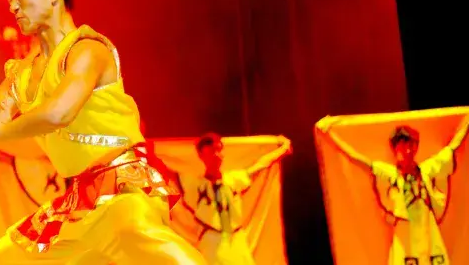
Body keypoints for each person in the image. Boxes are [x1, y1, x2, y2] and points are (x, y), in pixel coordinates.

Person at [0, 0, 206, 264]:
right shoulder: (21, 76)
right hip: (78, 205)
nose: (12, 6)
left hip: (123, 190)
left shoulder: (87, 50)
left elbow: (59, 113)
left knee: (136, 233)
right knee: (1, 259)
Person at [321, 116, 469, 265]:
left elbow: (452, 148)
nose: (408, 151)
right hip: (405, 235)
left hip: (427, 231)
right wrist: (332, 137)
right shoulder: (391, 174)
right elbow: (357, 159)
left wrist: (467, 122)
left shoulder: (426, 170)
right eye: (403, 147)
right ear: (395, 149)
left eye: (411, 146)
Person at [174, 133, 291, 265]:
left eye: (218, 150)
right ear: (201, 156)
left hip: (236, 240)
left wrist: (283, 148)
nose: (216, 155)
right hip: (212, 240)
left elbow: (261, 164)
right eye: (211, 152)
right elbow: (166, 170)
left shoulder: (234, 179)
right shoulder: (194, 185)